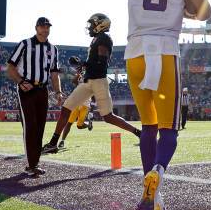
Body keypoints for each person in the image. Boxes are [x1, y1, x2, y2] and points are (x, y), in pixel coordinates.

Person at [106, 0, 211, 210]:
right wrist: (182, 5)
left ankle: (153, 198)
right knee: (169, 129)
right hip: (166, 51)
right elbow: (204, 10)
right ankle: (158, 173)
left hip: (135, 53)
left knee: (148, 126)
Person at [41, 14, 141, 154]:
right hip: (88, 81)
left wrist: (84, 64)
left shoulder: (103, 38)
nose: (89, 28)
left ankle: (139, 133)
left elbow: (101, 63)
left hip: (99, 81)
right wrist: (83, 65)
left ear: (100, 25)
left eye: (92, 25)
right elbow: (95, 63)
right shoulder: (97, 39)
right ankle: (53, 143)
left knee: (108, 117)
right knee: (66, 108)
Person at [6, 17, 63, 177]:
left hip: (42, 90)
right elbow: (10, 67)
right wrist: (20, 81)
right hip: (26, 89)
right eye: (42, 26)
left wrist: (58, 92)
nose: (45, 29)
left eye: (47, 27)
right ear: (36, 28)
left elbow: (54, 74)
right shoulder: (25, 44)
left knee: (40, 127)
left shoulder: (53, 49)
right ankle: (31, 164)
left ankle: (34, 163)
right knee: (30, 126)